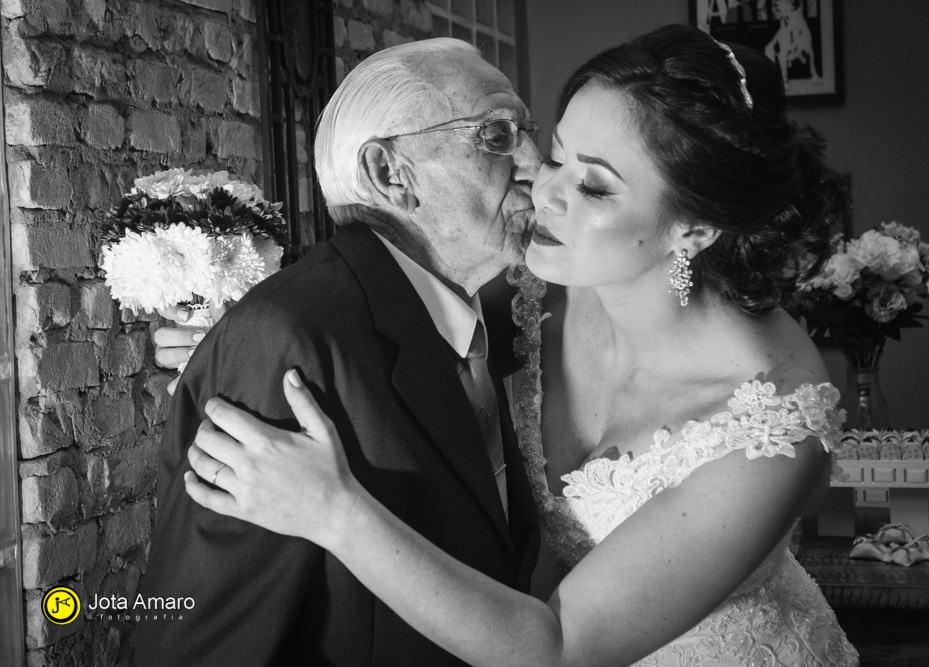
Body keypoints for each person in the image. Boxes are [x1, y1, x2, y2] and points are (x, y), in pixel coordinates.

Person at [183, 24, 862, 666]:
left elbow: (560, 647)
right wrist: (253, 331)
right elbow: (400, 307)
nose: (544, 181)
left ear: (694, 230)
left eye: (594, 185)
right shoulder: (546, 294)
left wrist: (335, 511)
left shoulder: (772, 425)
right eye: (559, 152)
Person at [135, 38, 542, 666]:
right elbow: (195, 640)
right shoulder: (286, 337)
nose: (535, 161)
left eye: (527, 132)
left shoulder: (479, 319)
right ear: (389, 173)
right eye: (496, 135)